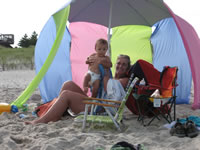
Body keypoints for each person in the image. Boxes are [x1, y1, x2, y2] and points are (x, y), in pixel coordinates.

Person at [25, 54, 131, 125]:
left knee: (66, 94)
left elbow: (108, 90)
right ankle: (55, 113)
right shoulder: (111, 76)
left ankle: (42, 120)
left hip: (102, 108)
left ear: (127, 68)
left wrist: (104, 69)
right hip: (96, 101)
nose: (120, 66)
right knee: (68, 84)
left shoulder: (124, 80)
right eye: (119, 63)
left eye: (124, 64)